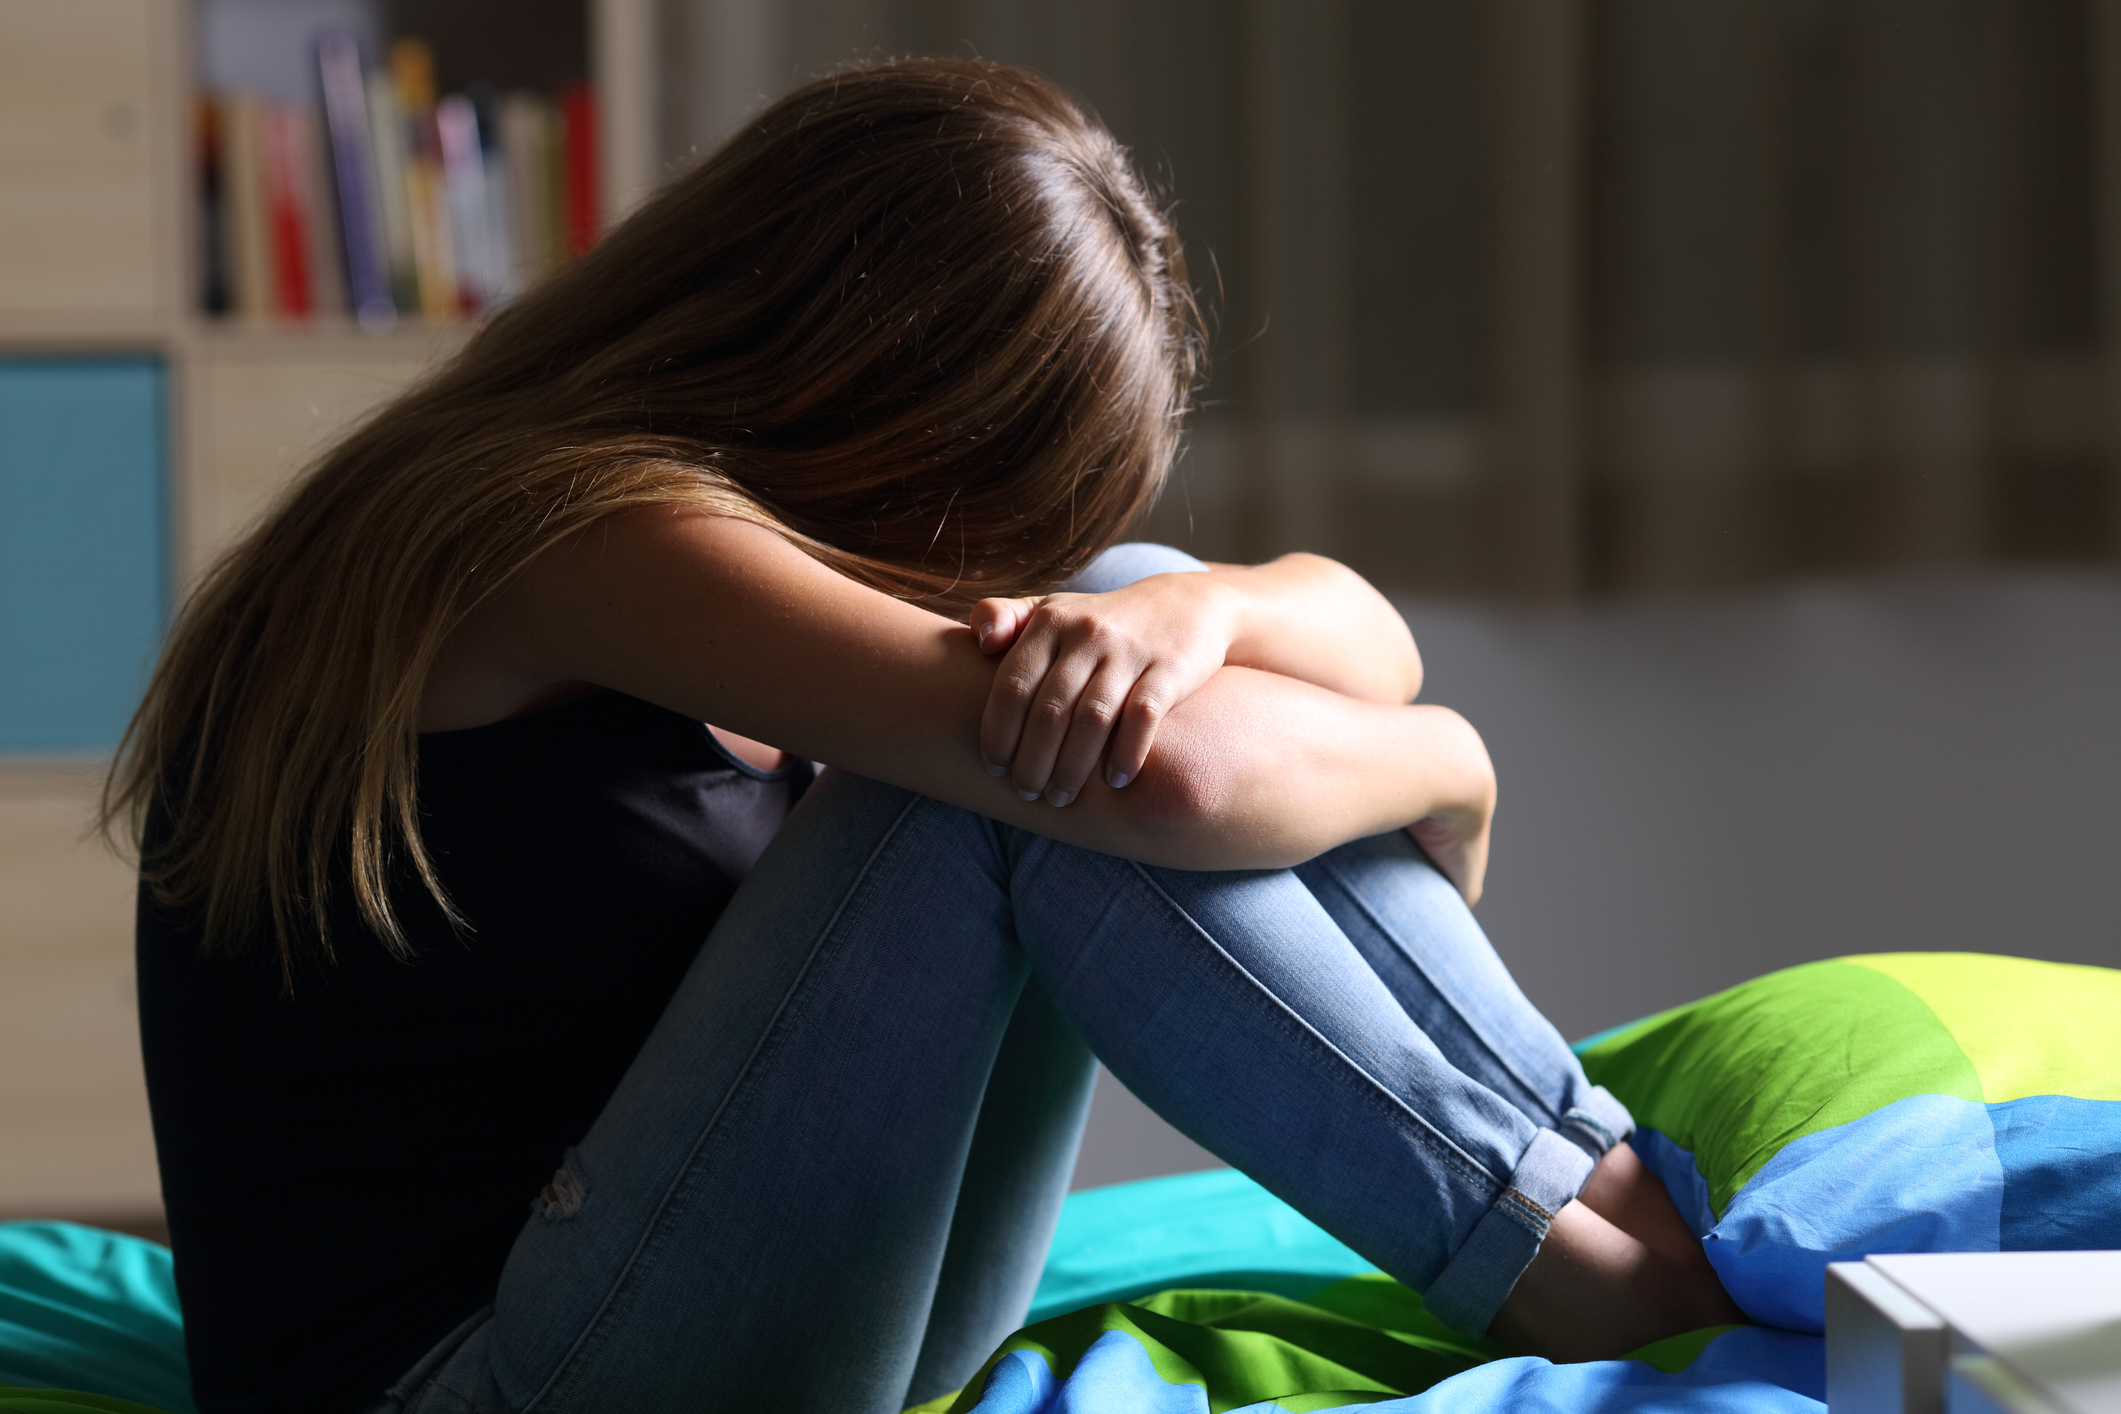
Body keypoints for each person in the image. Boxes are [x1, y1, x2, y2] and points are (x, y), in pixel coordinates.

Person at [108, 58, 1739, 1414]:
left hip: (758, 1313)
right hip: (484, 1387)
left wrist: (1212, 610)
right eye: (983, 507)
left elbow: (1342, 646)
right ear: (865, 388)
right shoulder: (563, 533)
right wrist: (1452, 760)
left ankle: (1582, 1193)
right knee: (1023, 768)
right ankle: (1573, 1252)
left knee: (1118, 614)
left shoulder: (737, 542)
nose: (973, 575)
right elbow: (1163, 780)